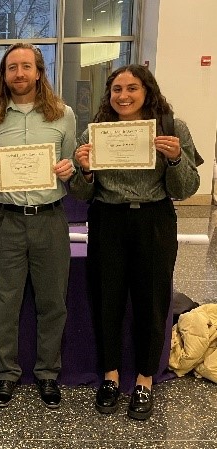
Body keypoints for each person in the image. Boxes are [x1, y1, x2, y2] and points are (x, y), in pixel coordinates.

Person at [70, 64, 200, 420]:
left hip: (154, 219)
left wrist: (174, 159)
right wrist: (84, 170)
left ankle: (144, 379)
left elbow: (187, 190)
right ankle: (110, 376)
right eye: (116, 90)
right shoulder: (94, 133)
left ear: (148, 91)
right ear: (108, 95)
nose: (123, 96)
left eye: (132, 88)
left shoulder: (173, 128)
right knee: (106, 299)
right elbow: (81, 193)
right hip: (108, 219)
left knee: (153, 301)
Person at [0, 43, 76, 410]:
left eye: (26, 67)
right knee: (4, 302)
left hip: (50, 218)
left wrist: (71, 170)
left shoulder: (63, 115)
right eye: (11, 68)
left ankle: (48, 373)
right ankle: (6, 373)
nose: (19, 74)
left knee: (53, 302)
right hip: (7, 221)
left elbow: (72, 167)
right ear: (3, 75)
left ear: (38, 72)